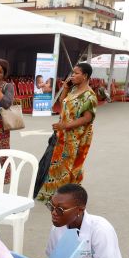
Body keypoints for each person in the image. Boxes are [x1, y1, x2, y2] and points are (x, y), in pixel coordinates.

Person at [37, 63, 98, 202]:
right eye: (73, 73)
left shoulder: (89, 96)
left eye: (76, 73)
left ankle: (69, 197)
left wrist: (65, 125)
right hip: (63, 133)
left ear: (85, 76)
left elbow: (87, 118)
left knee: (71, 166)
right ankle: (54, 193)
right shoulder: (74, 89)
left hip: (78, 137)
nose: (73, 76)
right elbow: (62, 101)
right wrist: (65, 88)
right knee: (58, 163)